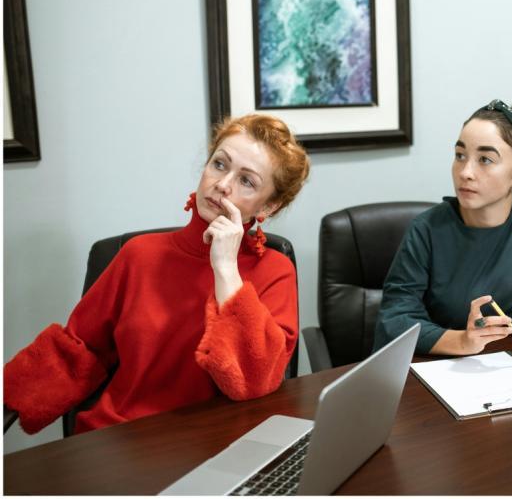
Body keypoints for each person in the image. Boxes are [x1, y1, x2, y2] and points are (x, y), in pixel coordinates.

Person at [4, 114, 310, 435]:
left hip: (216, 443)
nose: (222, 184)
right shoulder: (139, 254)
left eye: (247, 181)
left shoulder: (275, 270)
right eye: (219, 164)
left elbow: (253, 381)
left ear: (268, 207)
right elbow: (79, 348)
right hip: (120, 435)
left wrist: (225, 269)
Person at [373, 99, 512, 364]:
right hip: (438, 370)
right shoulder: (426, 229)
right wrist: (463, 340)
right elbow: (396, 319)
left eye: (485, 159)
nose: (466, 172)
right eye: (460, 155)